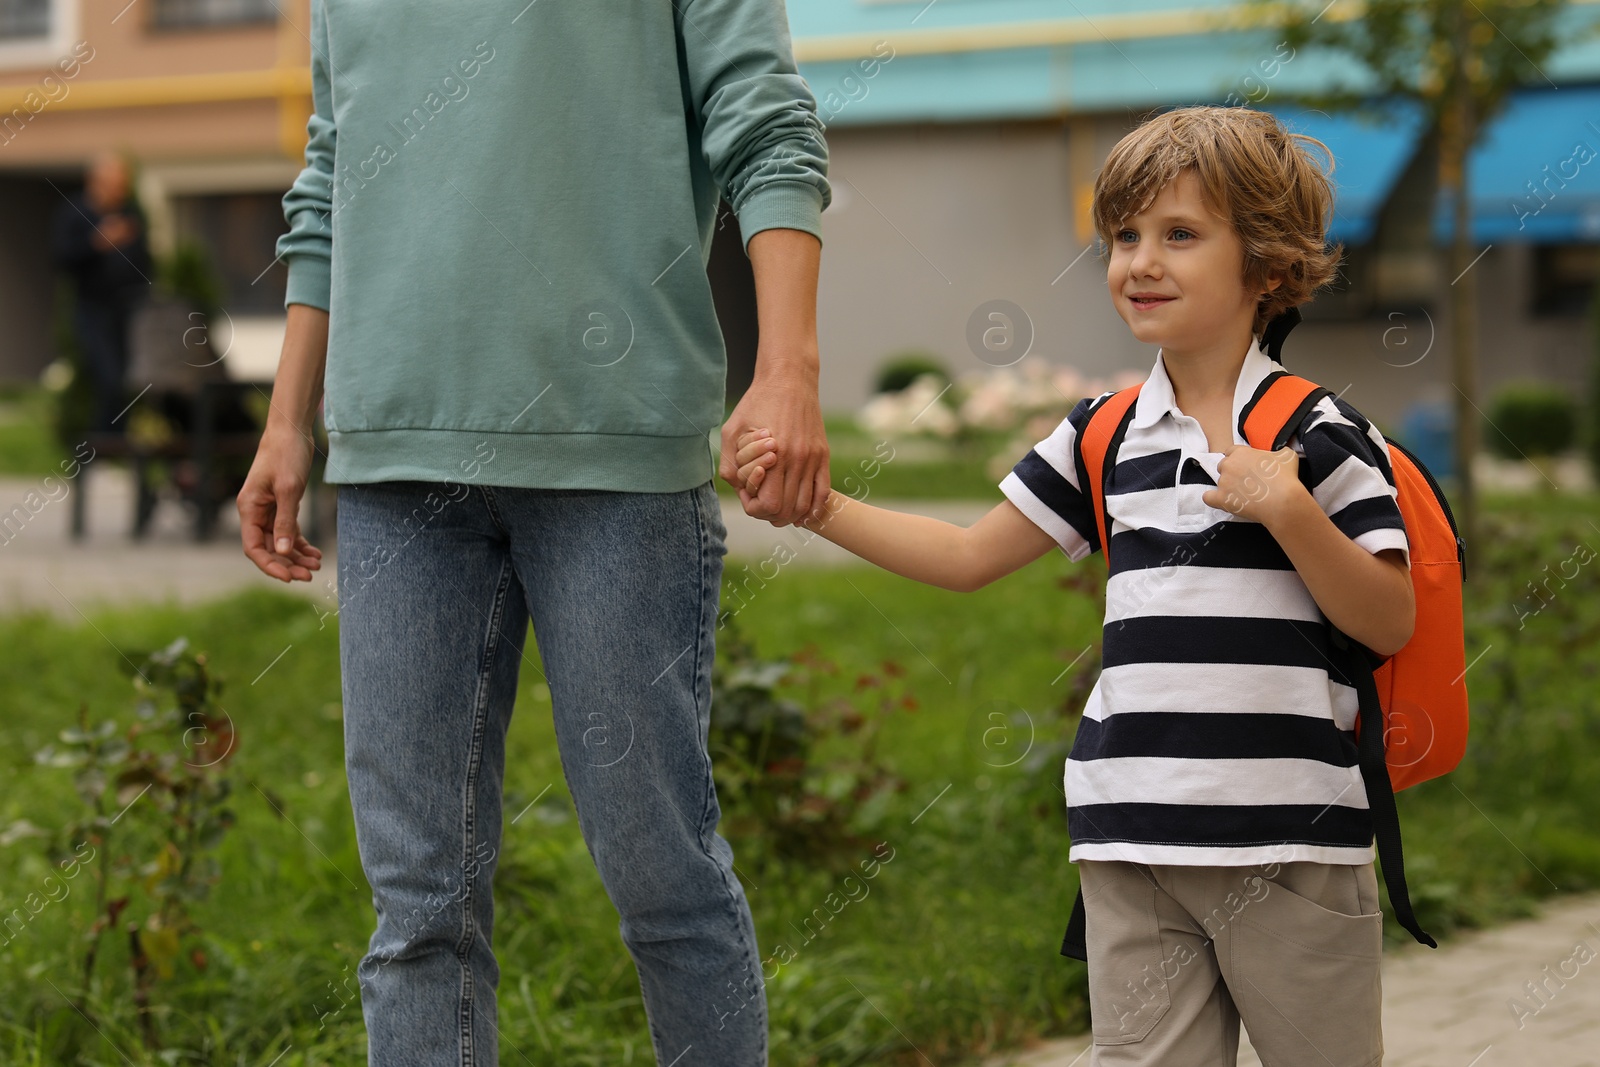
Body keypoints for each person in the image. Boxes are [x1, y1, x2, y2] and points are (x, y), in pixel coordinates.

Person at [731, 106, 1414, 1066]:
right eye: (1124, 235)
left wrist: (1293, 513)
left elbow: (1388, 618)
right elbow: (968, 557)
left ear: (1265, 266)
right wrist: (815, 507)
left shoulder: (1318, 431)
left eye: (1181, 235)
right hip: (1129, 835)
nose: (1142, 260)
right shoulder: (1105, 431)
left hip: (1288, 841)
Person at [237, 0, 831, 1062]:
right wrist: (289, 422)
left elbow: (766, 125)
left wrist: (787, 370)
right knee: (417, 908)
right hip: (393, 465)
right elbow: (333, 175)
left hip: (615, 455)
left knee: (664, 877)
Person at [52, 149, 153, 434]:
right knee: (108, 378)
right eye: (114, 184)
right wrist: (98, 242)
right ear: (95, 182)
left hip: (129, 309)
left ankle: (121, 444)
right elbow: (61, 259)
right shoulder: (75, 213)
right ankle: (101, 445)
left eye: (123, 184)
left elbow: (145, 261)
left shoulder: (130, 213)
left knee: (132, 379)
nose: (120, 191)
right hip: (93, 310)